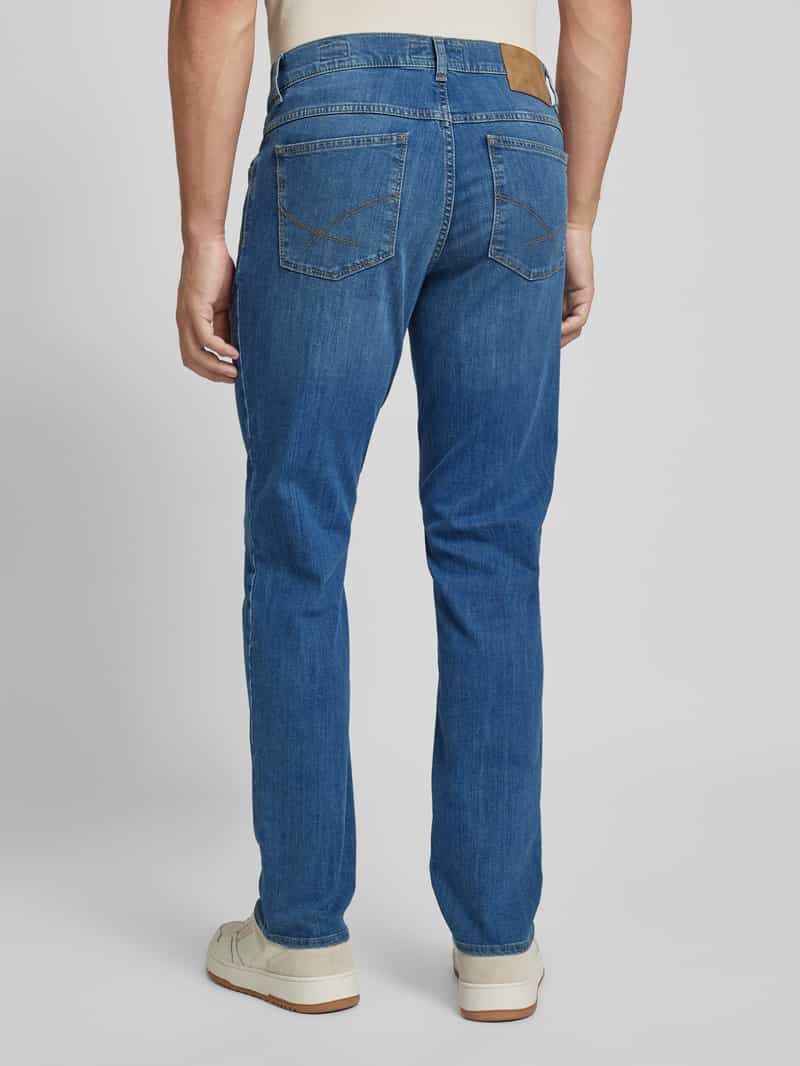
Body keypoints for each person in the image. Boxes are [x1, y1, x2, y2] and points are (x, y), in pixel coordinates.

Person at [168, 0, 631, 1021]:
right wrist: (577, 216)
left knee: (299, 541)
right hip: (516, 129)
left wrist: (202, 232)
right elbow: (600, 13)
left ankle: (299, 934)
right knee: (492, 552)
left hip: (338, 120)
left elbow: (213, 14)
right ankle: (498, 947)